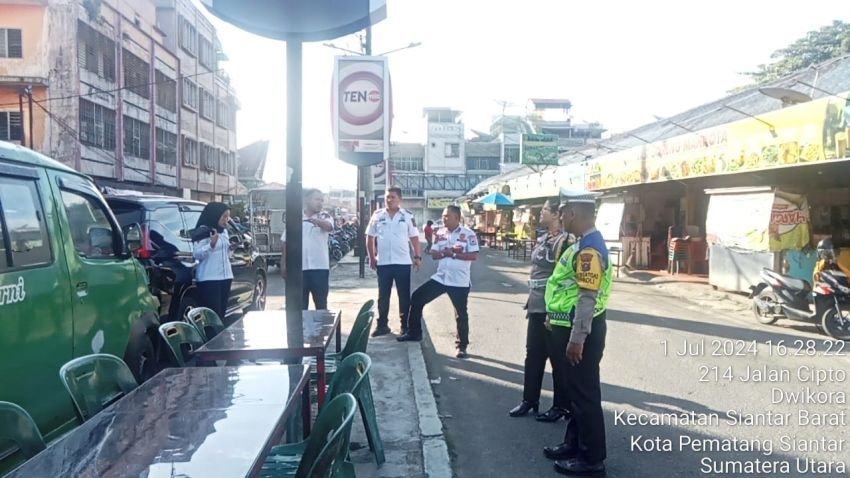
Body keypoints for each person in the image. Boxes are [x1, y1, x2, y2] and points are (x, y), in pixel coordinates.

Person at [542, 190, 613, 476]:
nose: (560, 217)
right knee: (575, 393)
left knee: (585, 396)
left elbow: (587, 296)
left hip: (581, 333)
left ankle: (591, 459)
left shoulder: (589, 250)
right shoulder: (583, 243)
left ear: (572, 214)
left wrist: (576, 339)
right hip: (570, 328)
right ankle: (574, 443)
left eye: (563, 213)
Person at [508, 199, 573, 421]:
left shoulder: (565, 242)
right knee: (533, 355)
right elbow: (537, 272)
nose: (540, 214)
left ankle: (561, 406)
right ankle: (529, 400)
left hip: (552, 309)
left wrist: (551, 310)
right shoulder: (545, 238)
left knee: (557, 359)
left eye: (544, 210)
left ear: (556, 214)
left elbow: (562, 277)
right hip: (536, 304)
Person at [398, 205, 479, 358]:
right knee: (417, 298)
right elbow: (434, 254)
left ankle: (462, 346)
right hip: (441, 277)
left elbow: (474, 256)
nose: (444, 219)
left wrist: (454, 255)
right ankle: (414, 333)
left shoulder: (468, 234)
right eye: (443, 216)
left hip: (459, 281)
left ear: (457, 217)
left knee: (461, 314)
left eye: (447, 216)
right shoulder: (441, 233)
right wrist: (446, 252)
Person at [367, 187, 422, 336]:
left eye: (392, 197)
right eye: (387, 197)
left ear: (399, 199)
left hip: (402, 262)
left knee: (403, 296)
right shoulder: (377, 215)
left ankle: (404, 326)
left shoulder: (407, 216)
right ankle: (382, 325)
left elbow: (414, 238)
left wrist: (417, 257)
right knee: (383, 296)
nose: (389, 200)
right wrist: (372, 257)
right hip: (383, 263)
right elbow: (370, 237)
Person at [281, 188, 334, 309]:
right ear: (307, 200)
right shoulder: (296, 218)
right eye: (317, 199)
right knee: (300, 306)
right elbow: (286, 241)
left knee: (321, 305)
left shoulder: (324, 216)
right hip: (300, 268)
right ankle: (303, 328)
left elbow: (329, 227)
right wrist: (284, 263)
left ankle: (321, 328)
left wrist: (316, 221)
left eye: (322, 200)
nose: (320, 202)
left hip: (319, 268)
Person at [192, 202, 234, 320]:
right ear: (215, 215)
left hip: (225, 277)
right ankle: (213, 338)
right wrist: (211, 244)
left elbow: (224, 253)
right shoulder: (204, 231)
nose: (226, 220)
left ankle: (219, 337)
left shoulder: (223, 232)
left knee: (221, 314)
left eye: (228, 216)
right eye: (224, 216)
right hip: (210, 278)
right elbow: (197, 254)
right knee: (212, 316)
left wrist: (231, 248)